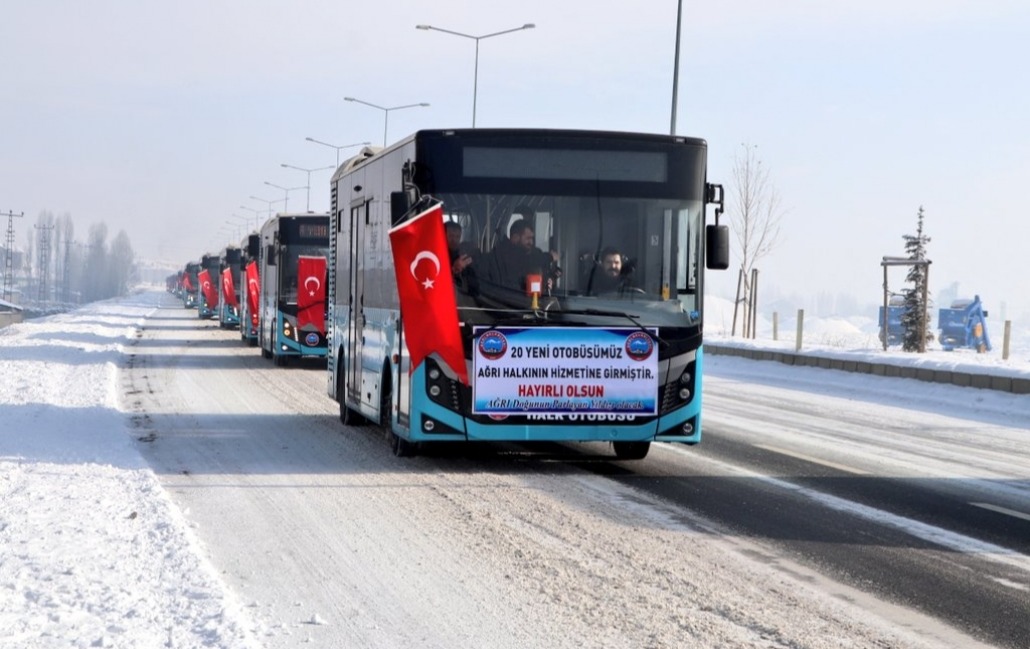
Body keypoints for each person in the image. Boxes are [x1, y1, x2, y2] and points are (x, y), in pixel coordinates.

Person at [444, 221, 478, 295]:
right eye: (451, 236)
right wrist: (453, 269)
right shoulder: (436, 257)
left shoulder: (464, 256)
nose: (454, 240)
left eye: (457, 236)